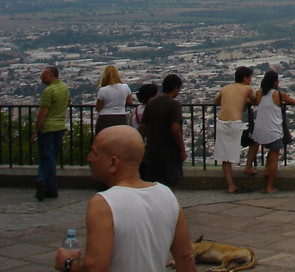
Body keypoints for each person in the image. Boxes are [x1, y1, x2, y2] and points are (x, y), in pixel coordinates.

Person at [53, 125, 196, 272]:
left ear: (113, 163)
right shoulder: (167, 195)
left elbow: (96, 267)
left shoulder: (103, 203)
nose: (89, 158)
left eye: (95, 154)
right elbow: (186, 258)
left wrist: (68, 264)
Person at [250, 70, 295, 194]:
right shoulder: (279, 95)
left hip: (259, 130)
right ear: (276, 82)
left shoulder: (259, 93)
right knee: (274, 157)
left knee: (271, 151)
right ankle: (269, 186)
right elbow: (293, 102)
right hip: (274, 130)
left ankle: (265, 171)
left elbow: (255, 102)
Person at [213, 66, 257, 193]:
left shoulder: (225, 88)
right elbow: (255, 101)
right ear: (245, 78)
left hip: (221, 123)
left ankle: (230, 185)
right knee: (255, 141)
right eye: (250, 77)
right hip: (235, 124)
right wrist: (246, 101)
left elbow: (216, 102)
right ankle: (248, 167)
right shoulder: (247, 88)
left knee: (225, 156)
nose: (250, 80)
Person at [140, 73, 185, 189]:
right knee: (171, 185)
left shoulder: (151, 103)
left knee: (153, 185)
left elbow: (143, 127)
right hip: (170, 152)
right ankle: (169, 206)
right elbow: (175, 129)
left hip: (152, 151)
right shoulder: (174, 104)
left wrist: (142, 147)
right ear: (175, 88)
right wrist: (182, 149)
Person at [32, 65, 70, 201]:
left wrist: (35, 131)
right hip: (60, 126)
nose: (41, 77)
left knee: (47, 158)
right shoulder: (64, 87)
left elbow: (42, 113)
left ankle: (51, 187)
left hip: (48, 128)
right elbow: (68, 102)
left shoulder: (49, 91)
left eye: (44, 74)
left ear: (51, 76)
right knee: (48, 157)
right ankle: (41, 179)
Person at [95, 65, 133, 134]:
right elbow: (130, 102)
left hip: (105, 118)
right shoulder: (125, 87)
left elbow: (98, 108)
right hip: (121, 117)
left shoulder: (102, 90)